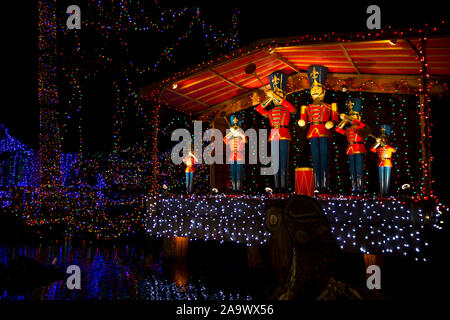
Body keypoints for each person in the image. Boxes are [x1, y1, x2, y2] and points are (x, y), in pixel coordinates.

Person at [298, 65, 338, 192]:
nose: (315, 90)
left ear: (324, 91)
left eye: (318, 88)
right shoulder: (306, 107)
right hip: (313, 131)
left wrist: (331, 123)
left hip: (324, 131)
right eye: (313, 88)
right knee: (315, 159)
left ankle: (324, 185)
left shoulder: (330, 105)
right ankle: (316, 185)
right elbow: (303, 120)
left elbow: (335, 118)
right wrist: (302, 122)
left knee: (324, 158)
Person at [256, 71, 296, 192]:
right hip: (273, 136)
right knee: (275, 163)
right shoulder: (270, 111)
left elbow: (292, 109)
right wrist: (269, 97)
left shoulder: (287, 108)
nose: (275, 97)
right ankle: (277, 186)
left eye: (278, 95)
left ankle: (283, 186)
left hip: (284, 134)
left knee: (283, 161)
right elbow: (258, 109)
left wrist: (275, 95)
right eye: (274, 95)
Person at [335, 98, 367, 193]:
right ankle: (354, 187)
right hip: (350, 148)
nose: (352, 118)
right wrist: (344, 121)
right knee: (352, 170)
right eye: (351, 116)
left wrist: (349, 118)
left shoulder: (361, 127)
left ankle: (360, 188)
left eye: (354, 116)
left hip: (359, 148)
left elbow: (364, 128)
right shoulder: (348, 130)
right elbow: (337, 129)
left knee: (359, 169)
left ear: (358, 117)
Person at [370, 124, 396, 196]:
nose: (383, 139)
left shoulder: (389, 147)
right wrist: (377, 143)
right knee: (381, 178)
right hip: (380, 162)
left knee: (387, 178)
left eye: (383, 139)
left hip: (387, 162)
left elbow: (394, 150)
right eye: (382, 138)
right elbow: (372, 149)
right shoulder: (379, 148)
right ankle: (381, 192)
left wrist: (384, 144)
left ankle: (386, 192)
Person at [223, 115, 246, 192]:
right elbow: (225, 139)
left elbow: (244, 138)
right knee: (233, 173)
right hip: (232, 156)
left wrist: (238, 132)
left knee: (238, 173)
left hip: (239, 156)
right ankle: (233, 188)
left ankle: (238, 188)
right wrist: (231, 132)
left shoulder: (241, 139)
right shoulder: (231, 140)